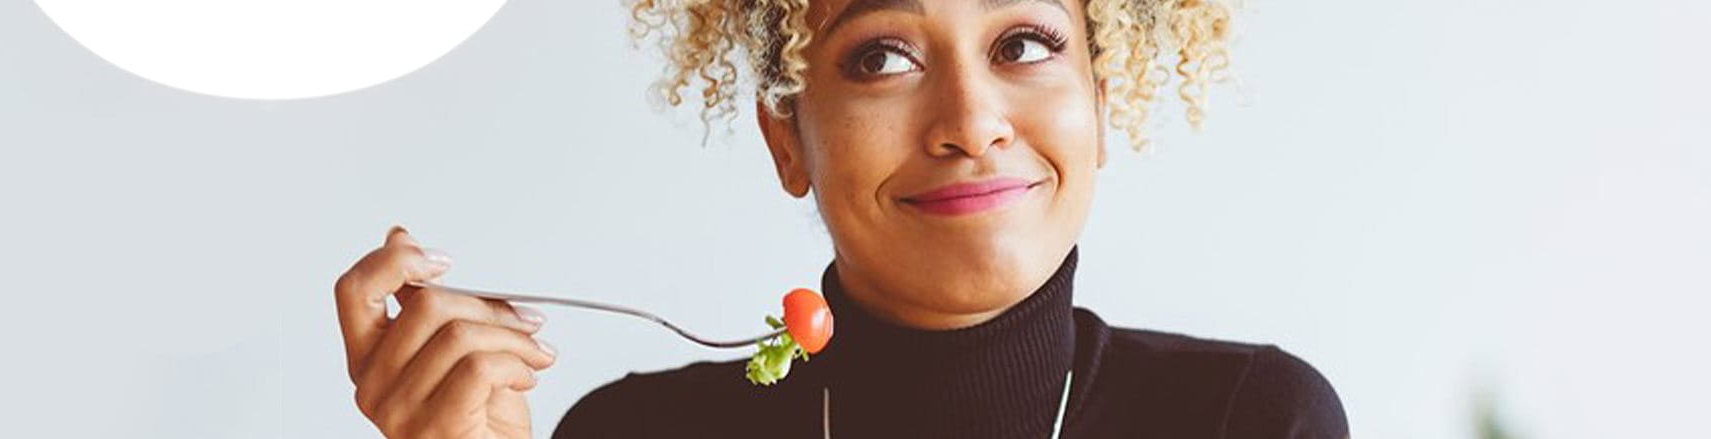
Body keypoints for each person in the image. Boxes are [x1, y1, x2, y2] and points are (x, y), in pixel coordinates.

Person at [332, 0, 1348, 437]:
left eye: (1025, 43)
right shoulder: (640, 436)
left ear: (1102, 96)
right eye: (881, 57)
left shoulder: (1246, 421)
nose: (968, 124)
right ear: (786, 137)